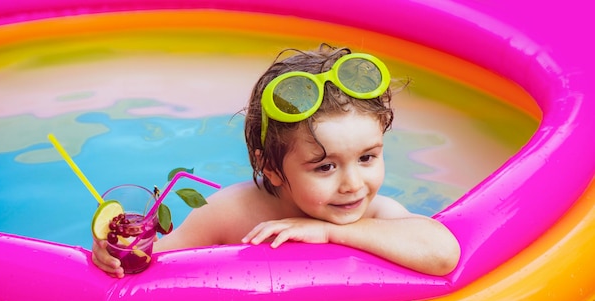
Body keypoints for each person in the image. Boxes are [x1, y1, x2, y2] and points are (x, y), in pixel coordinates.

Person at [92, 44, 461, 278]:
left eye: (366, 157)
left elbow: (443, 255)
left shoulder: (374, 215)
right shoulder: (232, 213)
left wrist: (333, 233)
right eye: (325, 166)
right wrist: (115, 256)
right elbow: (157, 265)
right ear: (270, 168)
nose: (352, 184)